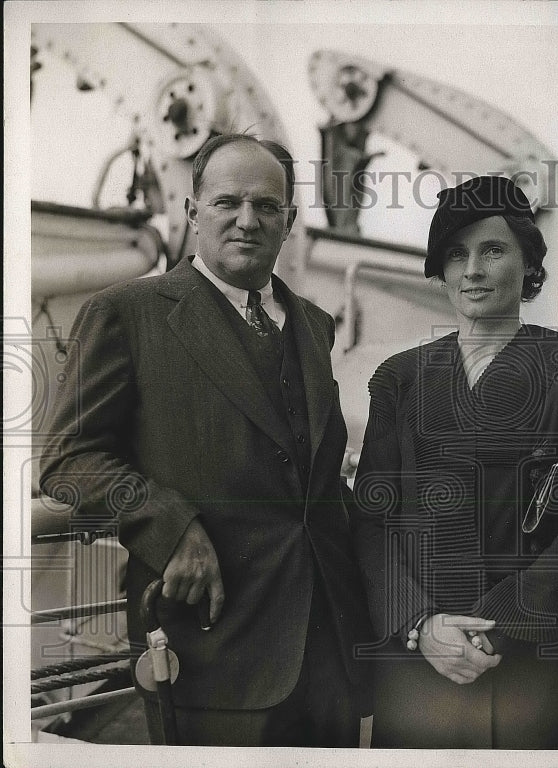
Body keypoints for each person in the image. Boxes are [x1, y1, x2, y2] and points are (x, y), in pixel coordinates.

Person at [39, 133, 373, 746]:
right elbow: (67, 459)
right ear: (193, 213)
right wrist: (170, 525)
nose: (248, 220)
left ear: (290, 221)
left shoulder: (313, 325)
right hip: (210, 651)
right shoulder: (127, 313)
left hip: (326, 657)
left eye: (267, 207)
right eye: (228, 203)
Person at [350, 175, 558, 748]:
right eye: (455, 254)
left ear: (528, 263)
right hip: (417, 673)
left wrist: (499, 620)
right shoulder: (398, 379)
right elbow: (371, 522)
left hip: (525, 670)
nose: (471, 269)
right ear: (440, 270)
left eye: (492, 250)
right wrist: (419, 625)